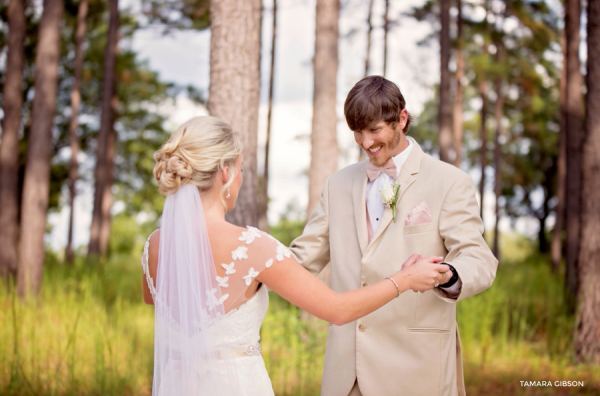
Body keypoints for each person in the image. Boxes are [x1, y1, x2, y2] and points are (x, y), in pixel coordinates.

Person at [140, 115, 450, 396]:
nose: (240, 178)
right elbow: (337, 310)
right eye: (241, 169)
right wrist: (405, 279)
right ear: (224, 172)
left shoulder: (155, 246)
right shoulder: (251, 246)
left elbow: (158, 300)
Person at [289, 76, 499, 396]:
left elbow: (478, 257)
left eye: (374, 130)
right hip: (347, 372)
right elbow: (302, 258)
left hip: (416, 371)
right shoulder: (337, 185)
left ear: (401, 119)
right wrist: (249, 258)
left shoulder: (449, 182)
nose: (365, 142)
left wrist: (447, 273)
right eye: (357, 132)